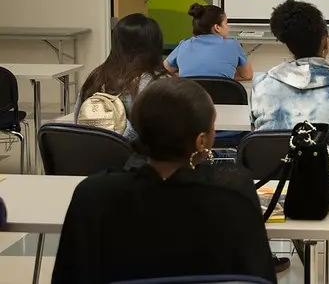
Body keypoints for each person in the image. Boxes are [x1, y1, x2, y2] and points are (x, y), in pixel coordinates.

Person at [52, 78, 278, 284]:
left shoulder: (93, 196)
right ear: (201, 141)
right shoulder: (235, 194)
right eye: (213, 125)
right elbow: (260, 277)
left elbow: (68, 276)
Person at [251, 0, 329, 283]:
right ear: (325, 42)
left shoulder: (262, 85)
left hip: (272, 184)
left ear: (287, 45)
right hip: (327, 182)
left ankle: (265, 255)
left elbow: (256, 130)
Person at [75, 13, 166, 140]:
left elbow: (78, 121)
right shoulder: (157, 84)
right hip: (136, 158)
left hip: (91, 156)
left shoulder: (96, 77)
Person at [164, 4, 253, 81]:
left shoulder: (184, 44)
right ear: (217, 27)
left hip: (191, 98)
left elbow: (164, 71)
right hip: (223, 99)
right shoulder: (233, 44)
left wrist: (185, 76)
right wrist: (225, 78)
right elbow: (247, 75)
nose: (228, 27)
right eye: (226, 23)